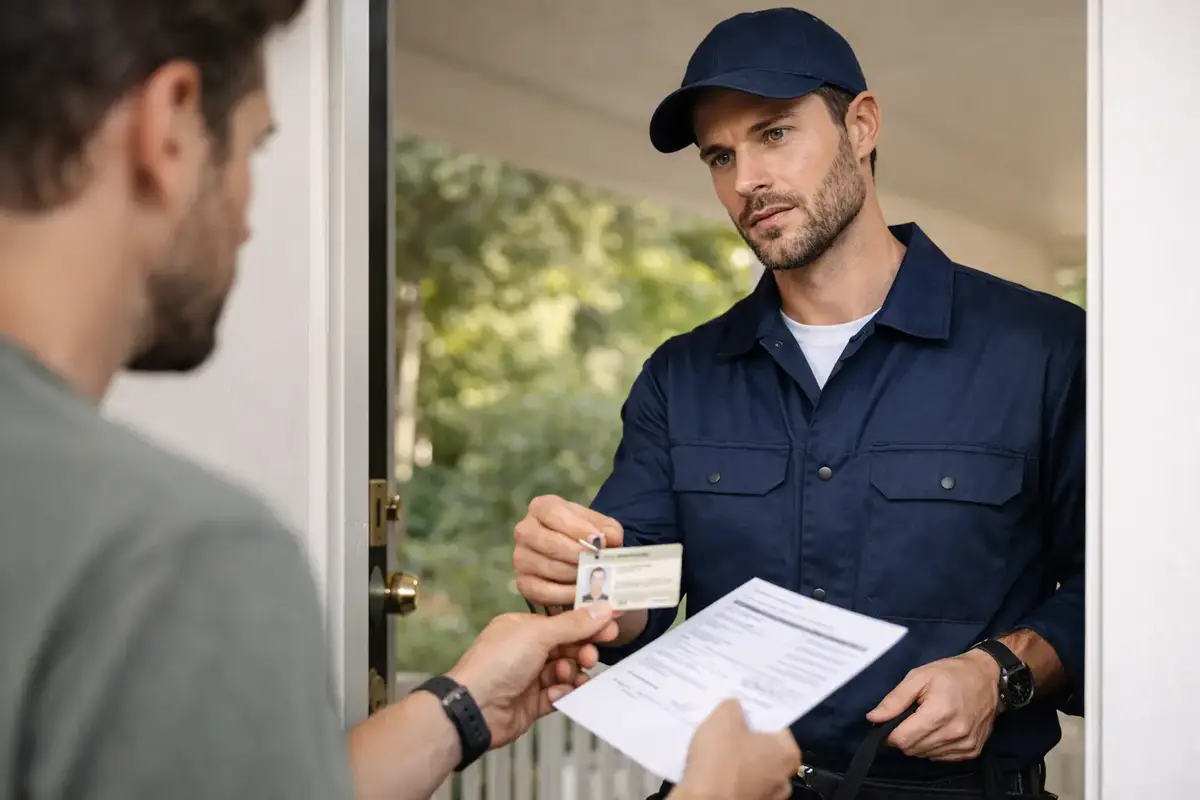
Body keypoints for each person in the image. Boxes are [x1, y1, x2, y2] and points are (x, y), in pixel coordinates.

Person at [0, 2, 802, 799]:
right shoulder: (176, 556)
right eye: (254, 148)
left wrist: (462, 707)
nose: (248, 218)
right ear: (169, 128)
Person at [512, 7, 1084, 800]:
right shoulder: (681, 378)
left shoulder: (1046, 351)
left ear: (862, 126)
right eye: (720, 156)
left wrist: (1003, 671)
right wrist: (575, 580)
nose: (746, 180)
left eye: (774, 134)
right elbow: (629, 598)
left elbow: (1124, 592)